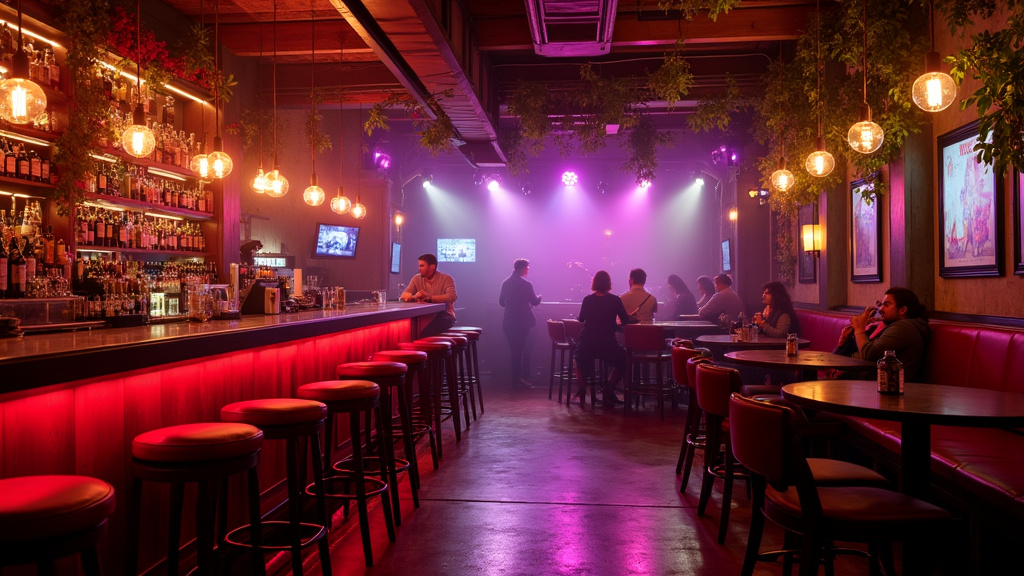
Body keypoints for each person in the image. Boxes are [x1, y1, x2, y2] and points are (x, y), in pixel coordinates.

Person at [575, 270, 632, 407]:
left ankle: (582, 388)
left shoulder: (587, 300)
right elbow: (626, 320)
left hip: (587, 344)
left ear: (594, 283)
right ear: (609, 283)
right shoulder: (615, 300)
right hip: (607, 344)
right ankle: (609, 388)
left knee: (577, 357)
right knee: (624, 359)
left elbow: (581, 319)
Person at [849, 286, 930, 381]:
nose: (881, 309)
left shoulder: (904, 327)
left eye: (886, 305)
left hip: (892, 386)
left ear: (902, 310)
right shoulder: (899, 325)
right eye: (880, 304)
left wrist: (859, 329)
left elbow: (869, 353)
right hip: (878, 382)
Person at [498, 258, 542, 388]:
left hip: (508, 322)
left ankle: (516, 379)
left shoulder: (505, 282)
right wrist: (540, 297)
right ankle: (520, 378)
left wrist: (512, 305)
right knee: (523, 350)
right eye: (527, 268)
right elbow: (534, 302)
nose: (528, 271)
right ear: (523, 268)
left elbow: (501, 302)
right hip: (523, 322)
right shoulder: (526, 284)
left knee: (515, 350)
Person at [400, 253, 458, 337]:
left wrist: (430, 298)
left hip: (445, 314)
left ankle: (426, 344)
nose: (419, 268)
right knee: (411, 331)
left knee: (424, 334)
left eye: (422, 266)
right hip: (424, 315)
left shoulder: (446, 278)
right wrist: (414, 297)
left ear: (432, 267)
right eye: (419, 266)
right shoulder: (417, 278)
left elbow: (452, 296)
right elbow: (404, 295)